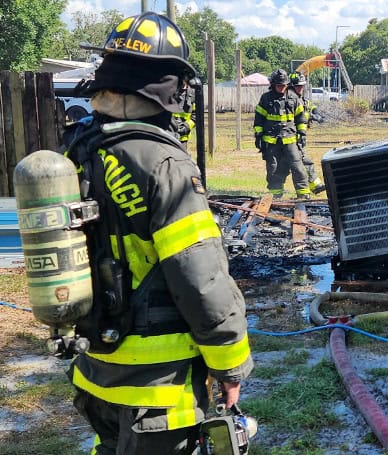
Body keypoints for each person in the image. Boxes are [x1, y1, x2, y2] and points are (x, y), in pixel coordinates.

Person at [62, 12, 253, 454]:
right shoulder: (163, 164)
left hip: (97, 372)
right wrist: (230, 366)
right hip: (159, 392)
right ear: (168, 86)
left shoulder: (77, 150)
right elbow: (200, 279)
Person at [254, 69, 311, 199]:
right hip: (271, 141)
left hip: (290, 140)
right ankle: (276, 196)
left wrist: (302, 133)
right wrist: (258, 135)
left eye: (284, 85)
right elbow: (259, 119)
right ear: (273, 85)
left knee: (297, 166)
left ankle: (303, 194)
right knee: (273, 169)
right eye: (279, 85)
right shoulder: (266, 98)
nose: (281, 88)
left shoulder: (293, 98)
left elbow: (301, 118)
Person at [288, 72, 326, 195]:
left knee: (301, 161)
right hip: (289, 137)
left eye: (302, 86)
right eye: (298, 86)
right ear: (292, 86)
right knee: (301, 161)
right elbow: (296, 116)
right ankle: (310, 187)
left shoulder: (300, 97)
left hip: (299, 136)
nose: (301, 88)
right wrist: (312, 116)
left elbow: (308, 105)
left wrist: (316, 110)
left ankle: (313, 185)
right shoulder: (288, 99)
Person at [170, 80, 197, 151]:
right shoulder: (169, 91)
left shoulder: (193, 94)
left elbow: (196, 116)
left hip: (183, 137)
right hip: (169, 134)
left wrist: (186, 127)